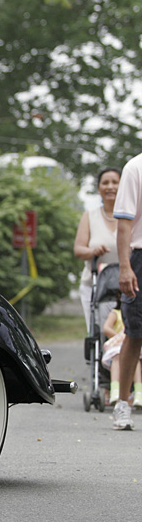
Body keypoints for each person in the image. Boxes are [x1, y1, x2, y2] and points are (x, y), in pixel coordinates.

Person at [113, 152, 142, 430]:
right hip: (140, 257)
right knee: (135, 333)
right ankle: (123, 402)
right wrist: (124, 267)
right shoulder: (135, 167)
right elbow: (124, 225)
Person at [73, 167, 121, 327]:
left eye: (115, 182)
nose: (110, 187)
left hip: (126, 285)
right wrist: (93, 251)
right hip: (94, 285)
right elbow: (79, 249)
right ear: (99, 188)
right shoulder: (90, 216)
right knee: (97, 329)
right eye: (105, 183)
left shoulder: (131, 217)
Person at [100, 304, 142, 408]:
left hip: (133, 346)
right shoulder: (115, 313)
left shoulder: (137, 314)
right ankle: (115, 390)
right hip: (117, 346)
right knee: (118, 356)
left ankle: (139, 392)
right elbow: (106, 328)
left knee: (134, 359)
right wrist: (119, 337)